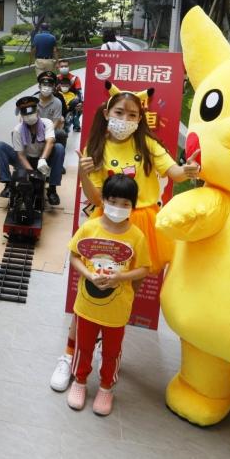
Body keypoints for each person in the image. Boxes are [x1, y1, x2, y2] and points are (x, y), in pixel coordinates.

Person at [49, 82, 199, 393]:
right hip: (106, 223)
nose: (125, 119)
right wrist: (83, 173)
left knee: (124, 294)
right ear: (107, 113)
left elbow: (173, 173)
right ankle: (70, 355)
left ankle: (107, 352)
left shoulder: (148, 145)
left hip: (143, 225)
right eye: (119, 112)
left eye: (133, 114)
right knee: (89, 292)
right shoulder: (96, 147)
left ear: (140, 118)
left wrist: (188, 170)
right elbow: (93, 196)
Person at [66, 174, 150, 415]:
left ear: (133, 206)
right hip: (86, 304)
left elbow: (144, 268)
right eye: (113, 201)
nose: (118, 208)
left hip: (117, 308)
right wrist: (89, 275)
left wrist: (120, 278)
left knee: (112, 351)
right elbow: (73, 255)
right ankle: (79, 381)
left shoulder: (136, 236)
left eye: (125, 204)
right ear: (103, 200)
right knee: (83, 346)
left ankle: (106, 387)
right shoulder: (90, 227)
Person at [0, 95, 64, 206]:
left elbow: (50, 142)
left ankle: (52, 189)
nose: (29, 116)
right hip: (25, 159)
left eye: (31, 112)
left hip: (42, 157)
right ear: (22, 115)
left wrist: (42, 159)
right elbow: (21, 155)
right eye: (25, 113)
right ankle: (8, 185)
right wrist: (32, 173)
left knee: (59, 148)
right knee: (0, 146)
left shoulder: (47, 123)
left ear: (37, 111)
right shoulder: (18, 130)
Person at [35, 70, 68, 149]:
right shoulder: (33, 100)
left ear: (53, 87)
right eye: (44, 84)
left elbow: (56, 122)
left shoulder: (57, 101)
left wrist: (46, 133)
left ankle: (60, 153)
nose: (46, 87)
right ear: (39, 86)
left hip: (51, 130)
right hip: (35, 130)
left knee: (61, 133)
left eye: (49, 85)